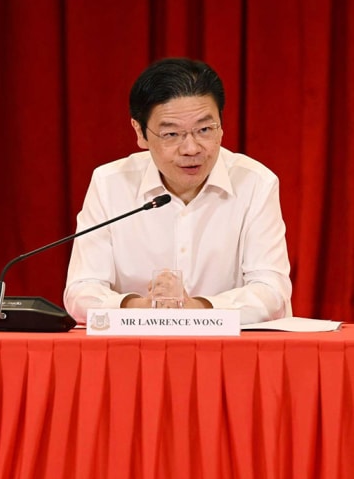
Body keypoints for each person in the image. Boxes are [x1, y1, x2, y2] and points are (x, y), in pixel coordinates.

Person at [64, 58, 292, 324]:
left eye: (205, 129)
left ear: (221, 126)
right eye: (172, 134)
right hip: (135, 352)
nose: (191, 148)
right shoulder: (109, 184)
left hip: (230, 355)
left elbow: (272, 292)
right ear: (140, 132)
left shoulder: (255, 183)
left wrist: (196, 308)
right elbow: (81, 291)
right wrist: (140, 307)